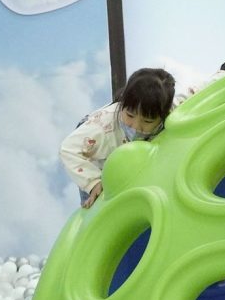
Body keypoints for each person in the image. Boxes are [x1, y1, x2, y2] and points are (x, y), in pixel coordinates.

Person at [60, 68, 176, 208]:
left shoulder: (168, 111)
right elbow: (68, 149)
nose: (136, 126)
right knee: (96, 199)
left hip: (127, 151)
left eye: (147, 121)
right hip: (95, 155)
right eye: (130, 115)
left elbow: (189, 97)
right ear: (123, 105)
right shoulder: (100, 129)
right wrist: (93, 182)